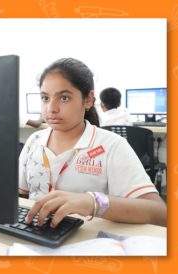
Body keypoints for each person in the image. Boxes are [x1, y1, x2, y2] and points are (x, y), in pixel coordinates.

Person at [18, 58, 166, 227]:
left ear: (88, 100)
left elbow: (160, 214)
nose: (51, 108)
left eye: (64, 98)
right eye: (45, 98)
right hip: (35, 237)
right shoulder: (34, 141)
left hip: (88, 243)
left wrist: (93, 203)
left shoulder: (111, 146)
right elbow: (21, 196)